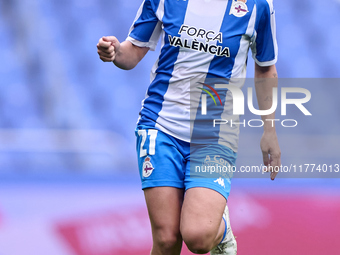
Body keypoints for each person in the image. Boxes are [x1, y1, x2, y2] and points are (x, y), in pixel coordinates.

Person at [97, 0, 281, 254]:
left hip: (215, 132)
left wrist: (269, 130)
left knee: (198, 237)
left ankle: (222, 230)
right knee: (166, 238)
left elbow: (265, 67)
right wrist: (115, 52)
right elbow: (132, 52)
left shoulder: (258, 5)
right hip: (161, 125)